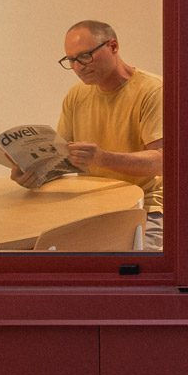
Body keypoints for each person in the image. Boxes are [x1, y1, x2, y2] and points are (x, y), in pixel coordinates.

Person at [29, 19, 165, 251]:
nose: (78, 66)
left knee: (133, 268)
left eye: (85, 56)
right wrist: (30, 173)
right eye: (71, 60)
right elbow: (61, 157)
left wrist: (102, 158)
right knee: (43, 258)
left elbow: (161, 161)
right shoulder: (77, 95)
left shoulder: (152, 91)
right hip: (92, 206)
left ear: (113, 47)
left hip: (144, 209)